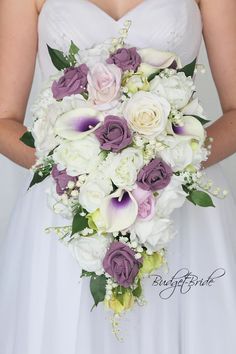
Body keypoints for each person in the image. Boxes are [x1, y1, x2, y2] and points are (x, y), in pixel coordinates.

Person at [0, 0, 236, 353]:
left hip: (179, 208)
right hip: (68, 209)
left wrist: (171, 163)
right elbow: (5, 119)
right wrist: (74, 167)